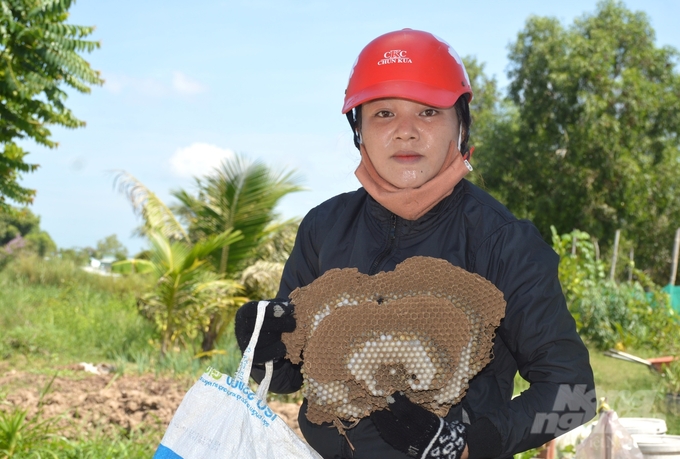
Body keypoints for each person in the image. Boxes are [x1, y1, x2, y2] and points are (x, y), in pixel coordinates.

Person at [235, 29, 596, 459]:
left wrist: (465, 446)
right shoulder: (324, 228)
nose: (405, 132)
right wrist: (264, 351)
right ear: (359, 130)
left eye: (428, 111)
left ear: (460, 124)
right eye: (384, 114)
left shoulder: (504, 242)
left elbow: (574, 395)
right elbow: (290, 375)